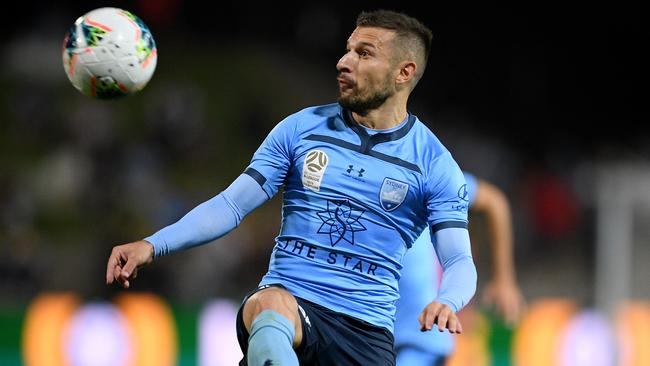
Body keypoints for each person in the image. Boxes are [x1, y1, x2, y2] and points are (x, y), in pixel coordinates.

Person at [106, 9, 477, 366]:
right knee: (268, 306)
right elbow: (231, 206)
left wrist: (448, 300)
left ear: (403, 73)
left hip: (366, 334)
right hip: (291, 307)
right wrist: (153, 244)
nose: (344, 62)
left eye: (364, 54)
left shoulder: (434, 164)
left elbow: (459, 259)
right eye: (348, 49)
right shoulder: (300, 130)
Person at [394, 171, 525, 365]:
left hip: (419, 337)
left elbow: (494, 201)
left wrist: (504, 280)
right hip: (367, 330)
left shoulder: (430, 172)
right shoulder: (353, 167)